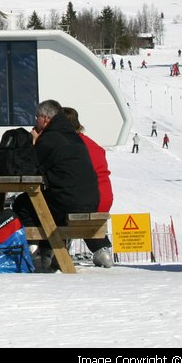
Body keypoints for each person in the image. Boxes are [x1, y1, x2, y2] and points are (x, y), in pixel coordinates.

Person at [15, 99, 99, 272]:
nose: (35, 121)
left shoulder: (49, 139)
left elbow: (29, 168)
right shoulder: (72, 136)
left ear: (45, 119)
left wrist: (34, 143)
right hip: (89, 200)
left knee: (23, 203)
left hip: (69, 202)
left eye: (37, 117)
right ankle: (47, 251)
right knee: (42, 206)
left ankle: (35, 248)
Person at [62, 108, 114, 268]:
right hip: (105, 198)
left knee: (55, 204)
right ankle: (101, 249)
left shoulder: (66, 146)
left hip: (87, 201)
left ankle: (53, 250)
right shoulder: (93, 145)